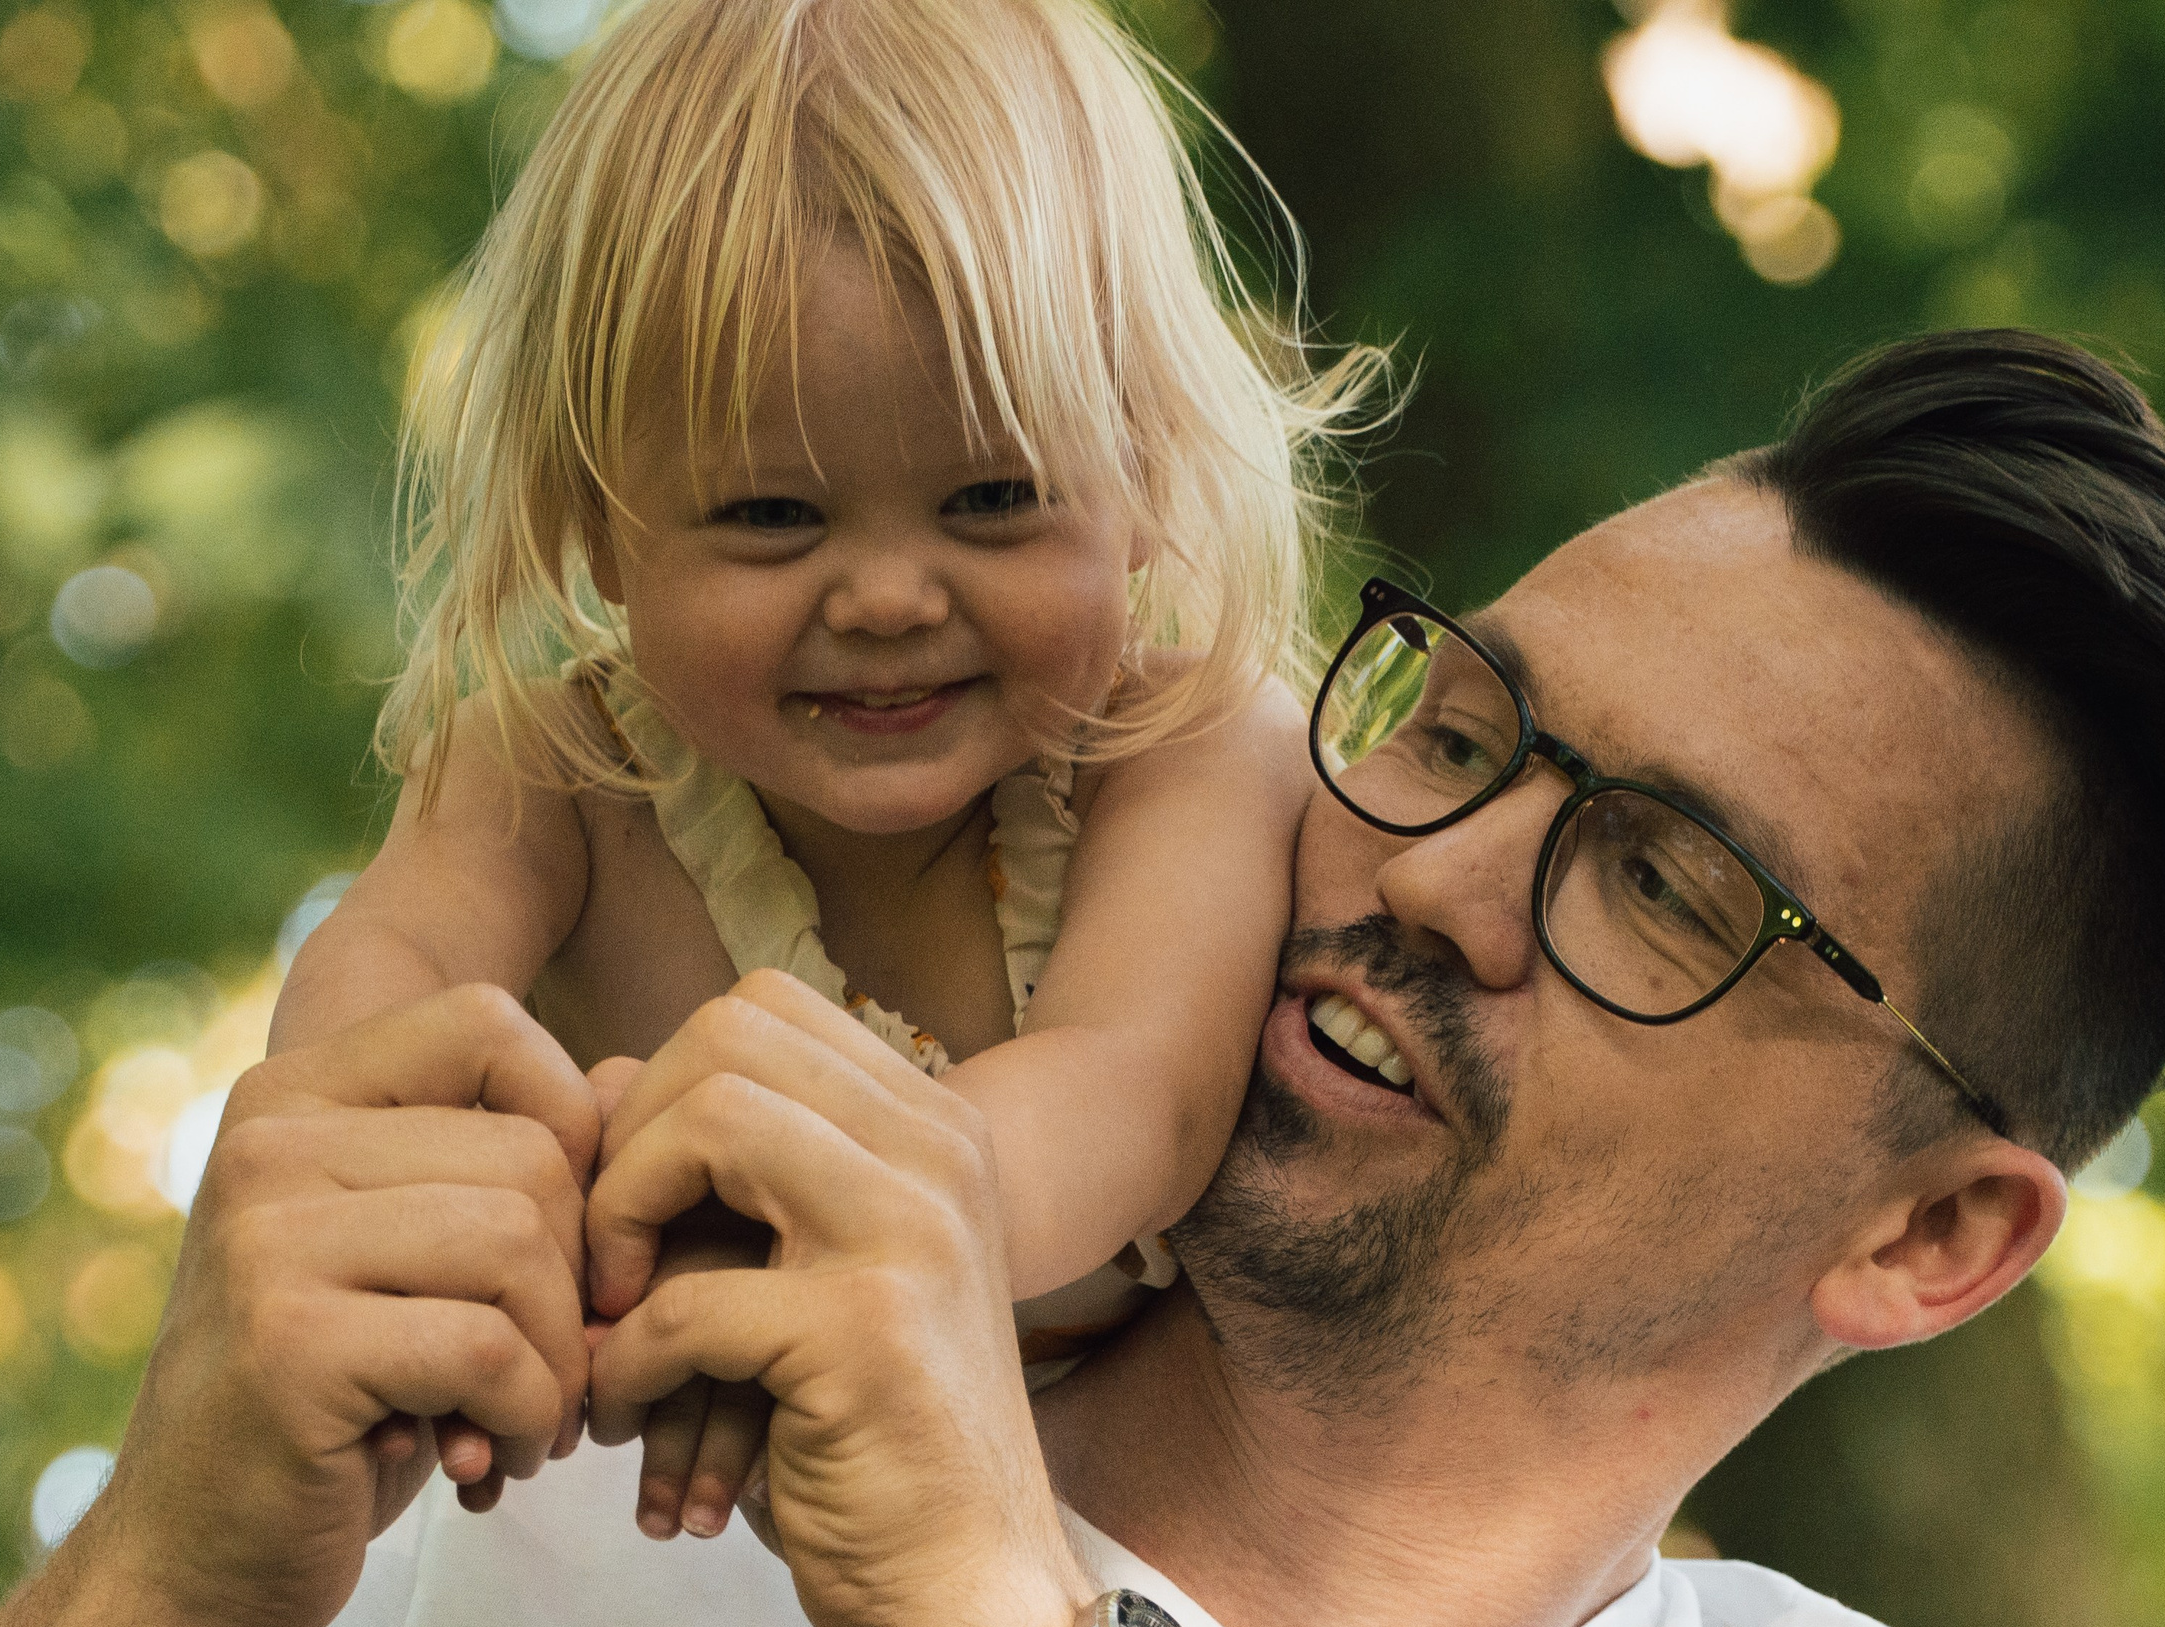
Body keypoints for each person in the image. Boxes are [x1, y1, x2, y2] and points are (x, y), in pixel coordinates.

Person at [0, 332, 2165, 1627]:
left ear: (1926, 1237)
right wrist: (156, 1595)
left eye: (1666, 883)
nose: (1437, 873)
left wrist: (978, 1612)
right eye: (1463, 724)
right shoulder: (564, 1440)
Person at [268, 0, 1384, 1529]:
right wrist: (426, 1200)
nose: (887, 599)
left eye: (993, 498)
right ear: (598, 518)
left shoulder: (1181, 751)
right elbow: (374, 1008)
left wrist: (781, 1226)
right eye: (771, 518)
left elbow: (1138, 1091)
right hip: (655, 1512)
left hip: (1103, 1552)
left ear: (1142, 477)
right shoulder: (556, 778)